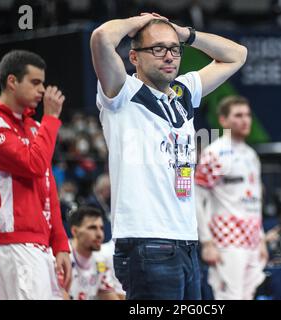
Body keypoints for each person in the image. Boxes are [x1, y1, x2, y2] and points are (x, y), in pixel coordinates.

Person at [90, 12, 247, 299]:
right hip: (146, 241)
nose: (169, 56)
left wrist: (184, 33)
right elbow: (101, 37)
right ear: (134, 57)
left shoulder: (183, 92)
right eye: (157, 49)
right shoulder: (122, 93)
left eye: (174, 49)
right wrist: (140, 23)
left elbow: (237, 55)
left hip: (186, 241)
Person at [0, 50, 71, 300]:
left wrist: (60, 245)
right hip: (11, 245)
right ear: (12, 82)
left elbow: (49, 190)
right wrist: (50, 119)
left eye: (43, 83)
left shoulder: (35, 127)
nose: (42, 90)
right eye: (35, 82)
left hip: (40, 245)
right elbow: (33, 165)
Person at [195, 96, 268, 300]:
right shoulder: (214, 154)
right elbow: (196, 198)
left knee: (248, 295)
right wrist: (207, 242)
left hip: (252, 239)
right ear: (223, 120)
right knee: (230, 297)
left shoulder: (251, 155)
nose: (245, 120)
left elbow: (256, 201)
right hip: (226, 240)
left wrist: (261, 239)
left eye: (247, 115)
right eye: (238, 115)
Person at [67, 206, 119, 300]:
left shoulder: (100, 262)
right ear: (75, 231)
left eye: (101, 228)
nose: (100, 234)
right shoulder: (60, 258)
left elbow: (109, 295)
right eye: (92, 228)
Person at [85, 173, 112, 242]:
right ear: (101, 188)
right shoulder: (92, 203)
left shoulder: (107, 202)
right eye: (107, 188)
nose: (109, 191)